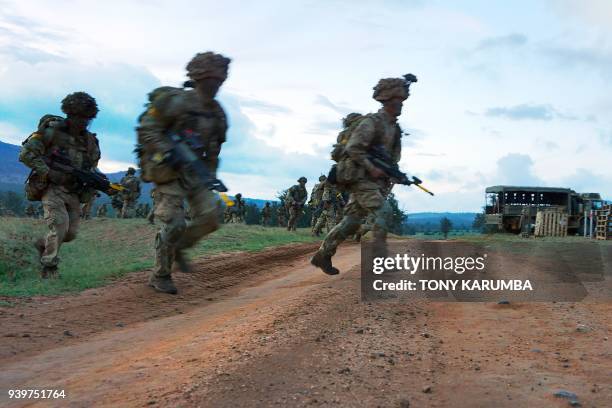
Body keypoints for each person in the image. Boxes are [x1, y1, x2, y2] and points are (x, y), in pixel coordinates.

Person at [136, 51, 230, 294]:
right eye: (211, 79)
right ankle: (161, 274)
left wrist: (209, 177)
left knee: (212, 216)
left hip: (197, 174)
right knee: (174, 224)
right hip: (168, 171)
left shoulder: (217, 113)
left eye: (219, 80)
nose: (215, 84)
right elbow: (147, 128)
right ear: (197, 78)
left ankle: (180, 247)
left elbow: (213, 150)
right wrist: (167, 150)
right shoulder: (174, 101)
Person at [311, 75, 416, 275]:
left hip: (372, 180)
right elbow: (353, 147)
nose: (400, 105)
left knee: (351, 222)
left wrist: (396, 175)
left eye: (402, 102)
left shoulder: (394, 128)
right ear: (386, 101)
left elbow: (391, 160)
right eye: (396, 101)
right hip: (361, 178)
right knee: (383, 210)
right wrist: (371, 166)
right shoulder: (372, 122)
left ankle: (323, 255)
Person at [19, 92, 110, 278]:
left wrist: (103, 183)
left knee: (70, 234)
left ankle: (43, 245)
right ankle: (49, 268)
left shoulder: (90, 141)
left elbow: (92, 168)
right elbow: (26, 154)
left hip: (74, 192)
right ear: (70, 114)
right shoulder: (51, 132)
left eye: (87, 118)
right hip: (51, 188)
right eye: (79, 117)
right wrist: (48, 172)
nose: (83, 122)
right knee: (59, 226)